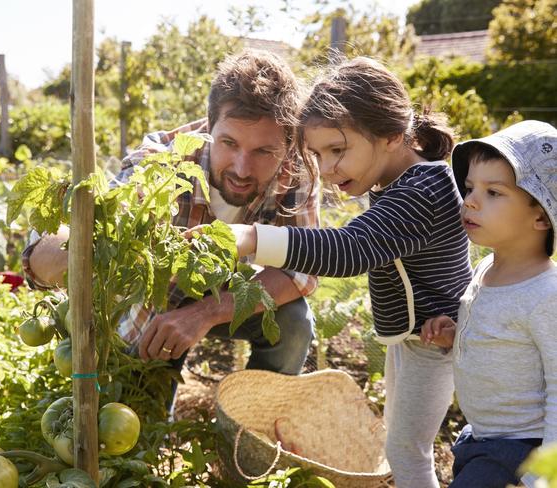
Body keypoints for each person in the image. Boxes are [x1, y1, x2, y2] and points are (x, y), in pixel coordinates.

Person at [223, 56, 473, 488]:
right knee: (403, 442)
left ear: (393, 135)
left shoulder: (422, 191)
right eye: (318, 154)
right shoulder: (402, 184)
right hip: (417, 340)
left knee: (406, 453)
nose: (327, 167)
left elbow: (349, 250)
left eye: (338, 150)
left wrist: (250, 237)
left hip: (436, 342)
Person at [22, 50, 319, 388]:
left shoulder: (298, 169)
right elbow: (82, 232)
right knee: (141, 412)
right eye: (229, 143)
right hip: (158, 304)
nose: (241, 168)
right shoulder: (165, 160)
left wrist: (204, 313)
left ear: (287, 143)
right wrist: (67, 249)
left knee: (294, 322)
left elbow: (301, 268)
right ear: (209, 126)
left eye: (263, 152)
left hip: (229, 293)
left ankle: (253, 424)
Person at [420, 120, 557, 488]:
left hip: (519, 450)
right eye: (469, 188)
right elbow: (501, 339)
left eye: (493, 192)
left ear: (541, 214)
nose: (471, 200)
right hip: (480, 437)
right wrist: (458, 334)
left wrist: (542, 477)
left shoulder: (546, 295)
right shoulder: (486, 268)